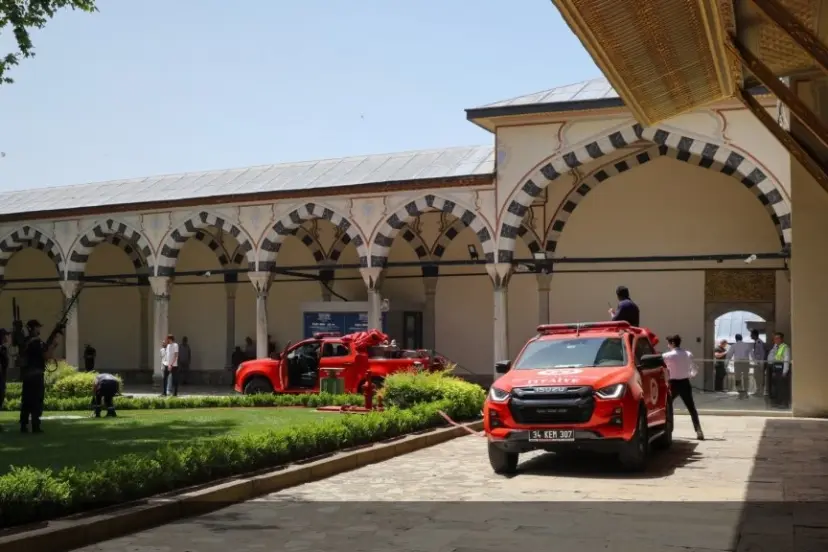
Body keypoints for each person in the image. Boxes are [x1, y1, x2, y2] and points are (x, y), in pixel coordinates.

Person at [662, 334, 704, 440]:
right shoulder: (688, 354)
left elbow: (663, 369)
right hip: (685, 382)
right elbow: (694, 369)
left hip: (673, 383)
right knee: (691, 407)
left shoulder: (667, 355)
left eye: (668, 343)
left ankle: (667, 431)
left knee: (667, 407)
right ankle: (698, 430)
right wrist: (689, 375)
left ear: (672, 343)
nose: (668, 346)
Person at [20, 319, 59, 434]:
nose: (39, 329)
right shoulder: (37, 342)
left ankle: (23, 425)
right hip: (36, 375)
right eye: (38, 327)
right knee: (37, 400)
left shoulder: (26, 341)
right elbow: (46, 356)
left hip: (27, 375)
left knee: (26, 400)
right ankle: (35, 426)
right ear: (33, 328)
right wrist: (53, 346)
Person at [767, 332, 792, 408]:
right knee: (777, 387)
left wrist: (785, 371)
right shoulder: (775, 348)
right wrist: (774, 348)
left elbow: (786, 360)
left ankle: (784, 403)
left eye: (777, 338)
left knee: (783, 387)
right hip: (776, 369)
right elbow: (770, 359)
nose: (776, 340)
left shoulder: (785, 347)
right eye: (775, 338)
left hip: (782, 369)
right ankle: (778, 402)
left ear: (781, 339)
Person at [725, 334, 753, 399]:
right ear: (742, 338)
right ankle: (746, 392)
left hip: (738, 363)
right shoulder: (747, 345)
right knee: (746, 378)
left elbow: (729, 355)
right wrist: (756, 362)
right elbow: (752, 354)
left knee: (737, 378)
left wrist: (726, 364)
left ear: (736, 339)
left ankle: (740, 393)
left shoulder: (734, 346)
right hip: (746, 363)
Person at [750, 329, 767, 397]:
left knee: (760, 377)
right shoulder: (756, 342)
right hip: (757, 362)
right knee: (756, 376)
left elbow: (762, 353)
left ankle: (760, 392)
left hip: (759, 362)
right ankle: (758, 391)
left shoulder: (759, 342)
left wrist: (761, 363)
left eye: (751, 335)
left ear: (754, 335)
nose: (750, 336)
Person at [0, 329, 9, 431]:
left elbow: (5, 363)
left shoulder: (4, 349)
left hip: (2, 377)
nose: (7, 338)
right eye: (5, 336)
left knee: (1, 398)